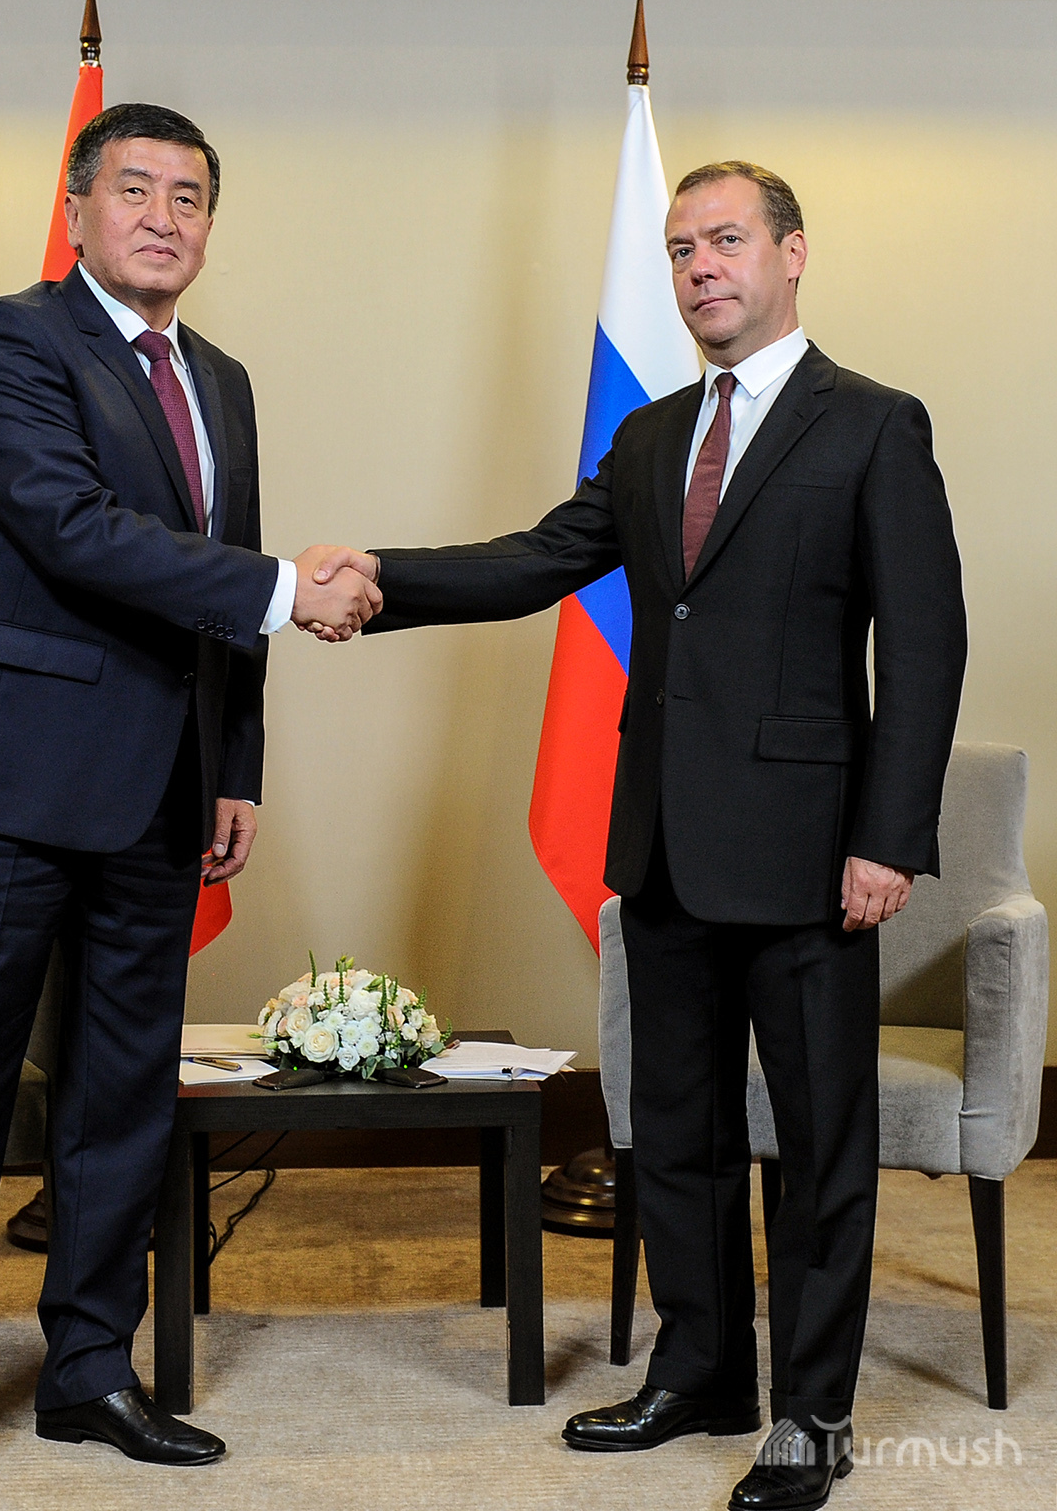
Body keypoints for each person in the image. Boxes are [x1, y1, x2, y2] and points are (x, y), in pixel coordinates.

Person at [314, 162, 967, 1511]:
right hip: (663, 844)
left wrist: (889, 839)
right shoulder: (654, 433)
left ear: (793, 253)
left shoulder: (874, 424)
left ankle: (814, 1415)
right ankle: (702, 1372)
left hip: (811, 855)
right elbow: (538, 560)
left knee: (819, 1148)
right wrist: (382, 580)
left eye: (725, 240)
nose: (699, 268)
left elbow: (924, 645)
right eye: (679, 250)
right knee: (674, 1133)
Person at [0, 102, 379, 1511]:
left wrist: (237, 763)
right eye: (135, 189)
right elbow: (73, 530)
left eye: (189, 197)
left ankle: (90, 1369)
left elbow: (223, 584)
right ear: (78, 207)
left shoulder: (223, 379)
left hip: (161, 791)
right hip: (1, 781)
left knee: (121, 1097)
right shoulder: (8, 340)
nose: (163, 216)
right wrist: (293, 589)